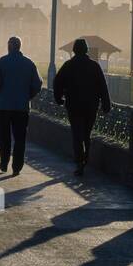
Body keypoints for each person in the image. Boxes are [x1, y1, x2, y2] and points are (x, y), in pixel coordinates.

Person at [53, 38, 112, 177]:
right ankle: (86, 157)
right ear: (86, 50)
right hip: (91, 106)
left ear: (74, 50)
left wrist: (59, 98)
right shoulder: (94, 66)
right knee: (86, 133)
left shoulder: (68, 65)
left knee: (77, 134)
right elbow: (103, 87)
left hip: (73, 105)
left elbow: (57, 82)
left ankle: (80, 162)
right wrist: (106, 104)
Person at [0, 36, 42, 175]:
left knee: (4, 136)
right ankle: (17, 167)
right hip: (22, 107)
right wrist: (28, 96)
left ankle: (4, 163)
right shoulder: (29, 63)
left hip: (4, 106)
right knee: (20, 138)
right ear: (19, 46)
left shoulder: (2, 62)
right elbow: (37, 83)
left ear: (9, 46)